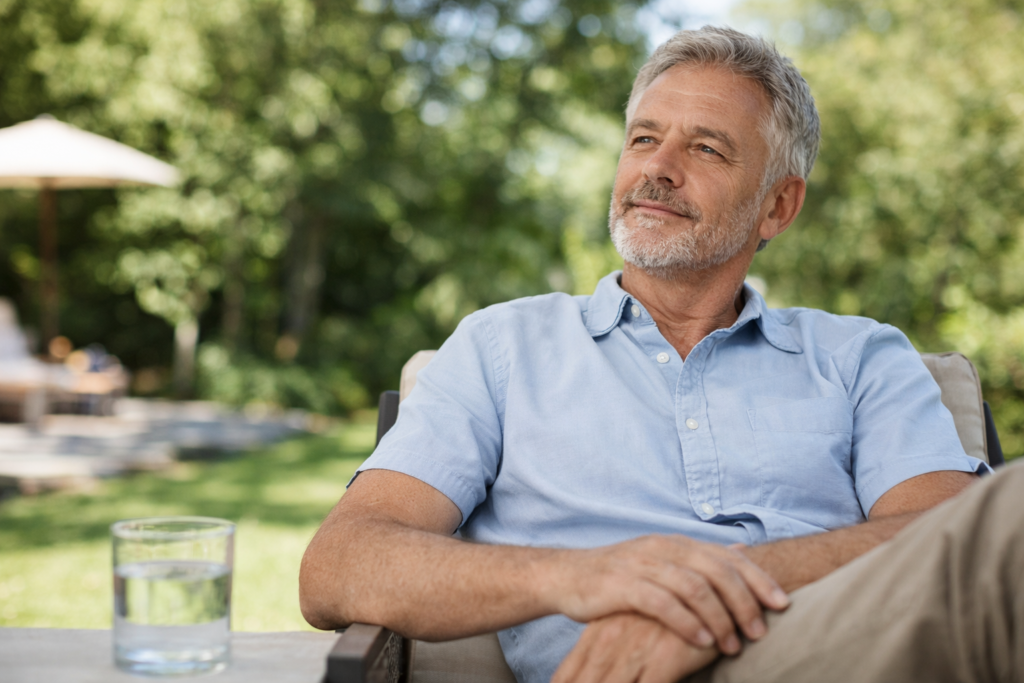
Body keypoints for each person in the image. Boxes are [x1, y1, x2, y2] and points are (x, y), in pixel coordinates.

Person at [300, 27, 1019, 683]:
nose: (660, 168)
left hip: (824, 651)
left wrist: (706, 593)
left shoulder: (863, 357)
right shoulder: (502, 346)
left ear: (778, 206)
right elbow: (338, 564)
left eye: (705, 148)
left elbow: (955, 540)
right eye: (644, 139)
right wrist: (586, 578)